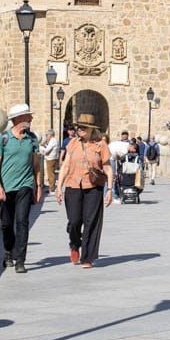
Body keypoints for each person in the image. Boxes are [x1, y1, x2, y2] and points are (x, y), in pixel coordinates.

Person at [0, 103, 42, 274]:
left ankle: (20, 260)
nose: (31, 118)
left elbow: (36, 165)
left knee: (22, 222)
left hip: (25, 186)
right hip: (6, 187)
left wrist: (38, 186)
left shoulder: (32, 139)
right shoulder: (4, 138)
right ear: (20, 119)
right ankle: (8, 251)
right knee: (6, 224)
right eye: (28, 116)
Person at [56, 113, 112, 267]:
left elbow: (107, 167)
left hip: (93, 187)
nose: (79, 129)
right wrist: (58, 187)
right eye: (78, 126)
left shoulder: (101, 145)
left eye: (82, 127)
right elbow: (66, 166)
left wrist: (110, 190)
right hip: (73, 185)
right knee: (74, 221)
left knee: (91, 222)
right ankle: (74, 244)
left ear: (91, 130)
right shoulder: (73, 143)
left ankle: (87, 257)